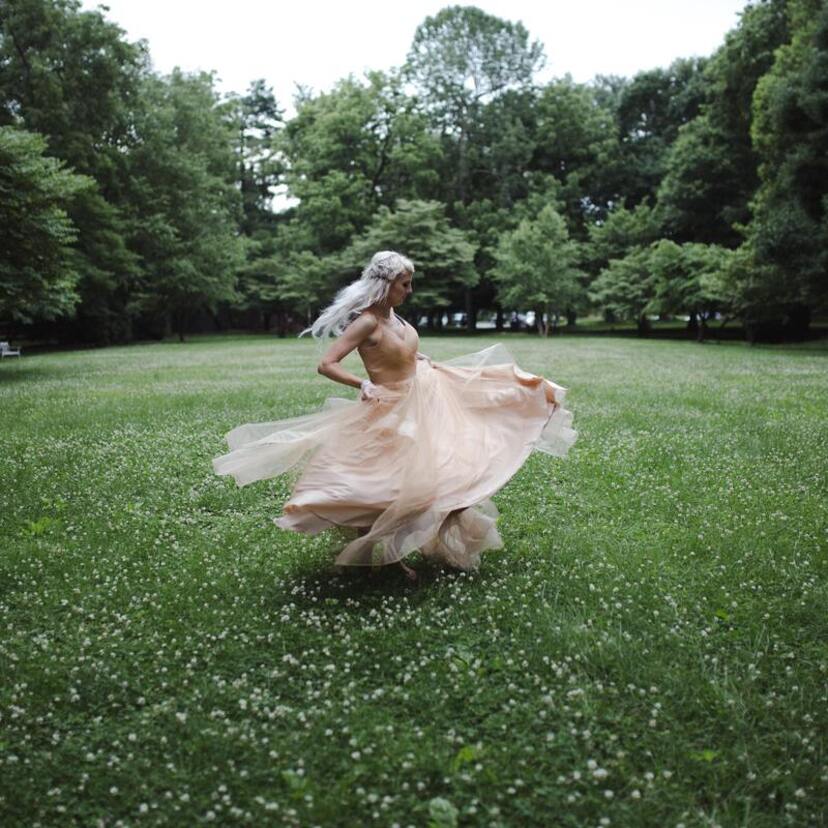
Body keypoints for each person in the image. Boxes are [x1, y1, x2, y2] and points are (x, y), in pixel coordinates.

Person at [212, 250, 577, 582]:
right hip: (389, 409)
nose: (410, 290)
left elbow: (399, 354)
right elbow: (326, 364)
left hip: (424, 397)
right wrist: (362, 384)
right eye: (405, 284)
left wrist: (417, 360)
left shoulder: (396, 318)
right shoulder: (366, 322)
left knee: (454, 473)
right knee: (385, 488)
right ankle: (383, 556)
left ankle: (392, 550)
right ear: (385, 285)